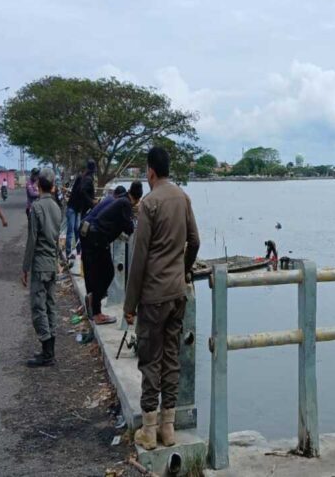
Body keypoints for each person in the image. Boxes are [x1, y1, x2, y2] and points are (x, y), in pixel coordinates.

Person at [124, 147, 200, 451]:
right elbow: (194, 241)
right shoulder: (183, 197)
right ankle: (169, 429)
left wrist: (129, 306)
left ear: (150, 172)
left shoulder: (149, 204)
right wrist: (183, 270)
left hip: (153, 295)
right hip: (177, 292)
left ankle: (150, 429)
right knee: (171, 358)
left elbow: (139, 257)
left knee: (150, 358)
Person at [82, 183, 142, 324]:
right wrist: (136, 214)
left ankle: (95, 306)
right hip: (97, 239)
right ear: (138, 199)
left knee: (99, 274)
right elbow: (129, 228)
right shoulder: (126, 204)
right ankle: (95, 304)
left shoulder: (118, 199)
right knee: (108, 273)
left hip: (91, 236)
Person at [21, 168, 63, 367]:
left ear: (38, 186)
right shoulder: (56, 207)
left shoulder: (36, 208)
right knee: (50, 305)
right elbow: (56, 239)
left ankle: (47, 353)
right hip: (52, 264)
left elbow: (32, 240)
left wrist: (25, 267)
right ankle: (50, 350)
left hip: (39, 264)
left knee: (38, 308)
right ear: (53, 186)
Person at [65, 169, 85, 260]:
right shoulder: (78, 190)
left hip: (75, 210)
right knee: (70, 231)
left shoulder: (78, 188)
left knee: (76, 230)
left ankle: (78, 251)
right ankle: (68, 253)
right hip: (71, 210)